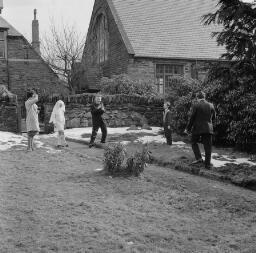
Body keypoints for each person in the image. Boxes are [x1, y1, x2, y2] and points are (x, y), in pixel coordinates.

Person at [184, 91, 216, 169]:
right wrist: (209, 123)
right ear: (204, 97)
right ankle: (207, 165)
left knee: (193, 142)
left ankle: (199, 158)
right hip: (208, 128)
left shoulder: (196, 105)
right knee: (208, 147)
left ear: (197, 98)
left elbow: (192, 118)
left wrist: (187, 129)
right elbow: (214, 117)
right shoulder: (211, 105)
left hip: (197, 128)